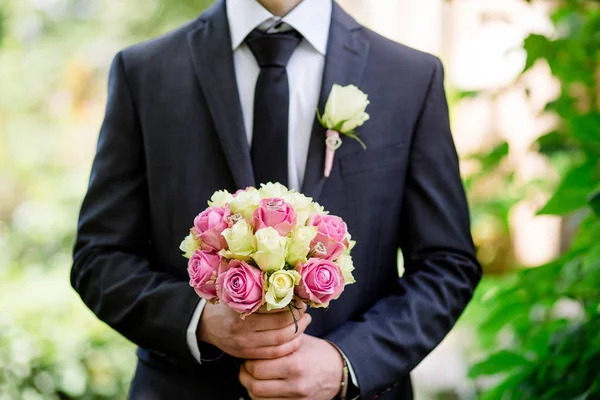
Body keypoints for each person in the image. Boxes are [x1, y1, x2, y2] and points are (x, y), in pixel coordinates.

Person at [71, 0, 482, 399]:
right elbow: (100, 257)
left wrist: (349, 363)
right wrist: (199, 321)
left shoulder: (409, 76)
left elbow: (447, 264)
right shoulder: (145, 72)